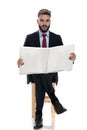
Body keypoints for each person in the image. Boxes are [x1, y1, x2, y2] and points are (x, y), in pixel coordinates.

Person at [17, 9, 76, 129]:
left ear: (50, 22)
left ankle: (38, 116)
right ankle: (55, 101)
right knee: (39, 73)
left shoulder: (57, 38)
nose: (44, 23)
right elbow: (24, 60)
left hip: (51, 74)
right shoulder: (30, 38)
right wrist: (20, 62)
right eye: (42, 20)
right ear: (37, 21)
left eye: (47, 21)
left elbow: (64, 59)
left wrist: (71, 58)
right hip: (35, 74)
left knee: (42, 76)